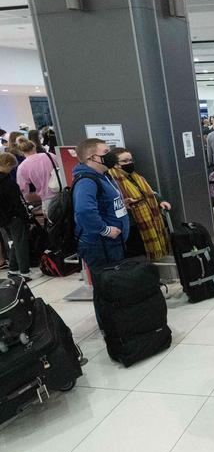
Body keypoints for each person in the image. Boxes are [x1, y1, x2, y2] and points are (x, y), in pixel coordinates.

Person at [73, 139, 130, 327]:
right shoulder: (87, 181)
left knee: (113, 285)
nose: (110, 154)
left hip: (113, 244)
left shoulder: (104, 176)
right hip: (101, 245)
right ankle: (111, 327)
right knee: (105, 287)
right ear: (92, 157)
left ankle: (119, 322)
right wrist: (105, 230)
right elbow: (83, 211)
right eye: (106, 151)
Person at [109, 148, 171, 261]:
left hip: (146, 220)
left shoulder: (136, 176)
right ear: (116, 165)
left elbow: (150, 193)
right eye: (125, 161)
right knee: (138, 255)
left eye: (130, 160)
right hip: (132, 224)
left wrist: (160, 200)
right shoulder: (112, 181)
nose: (129, 163)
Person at [0, 153, 39, 280]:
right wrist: (26, 217)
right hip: (15, 217)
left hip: (3, 218)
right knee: (20, 243)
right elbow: (18, 203)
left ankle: (13, 269)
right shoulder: (9, 184)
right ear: (6, 165)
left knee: (14, 243)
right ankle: (24, 271)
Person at [15, 138, 59, 218]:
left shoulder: (22, 167)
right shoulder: (50, 155)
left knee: (55, 224)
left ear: (21, 152)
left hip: (47, 198)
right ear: (34, 147)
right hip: (63, 193)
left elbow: (22, 189)